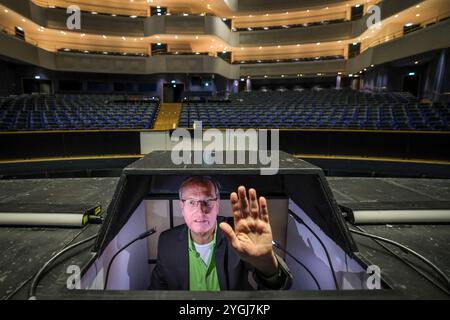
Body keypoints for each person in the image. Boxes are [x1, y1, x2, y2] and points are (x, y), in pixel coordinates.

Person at [149, 176, 292, 290]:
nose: (200, 210)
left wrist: (266, 262)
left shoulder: (239, 234)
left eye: (207, 201)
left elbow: (279, 286)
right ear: (182, 207)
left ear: (217, 205)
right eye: (191, 202)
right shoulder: (167, 242)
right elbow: (157, 290)